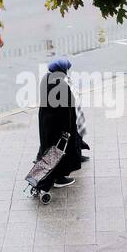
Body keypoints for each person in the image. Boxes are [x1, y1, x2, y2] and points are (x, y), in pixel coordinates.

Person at [36, 57, 85, 189]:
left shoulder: (46, 78)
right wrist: (69, 130)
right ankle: (57, 178)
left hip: (46, 122)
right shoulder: (61, 85)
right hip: (58, 126)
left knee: (48, 149)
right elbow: (67, 110)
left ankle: (41, 177)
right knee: (58, 151)